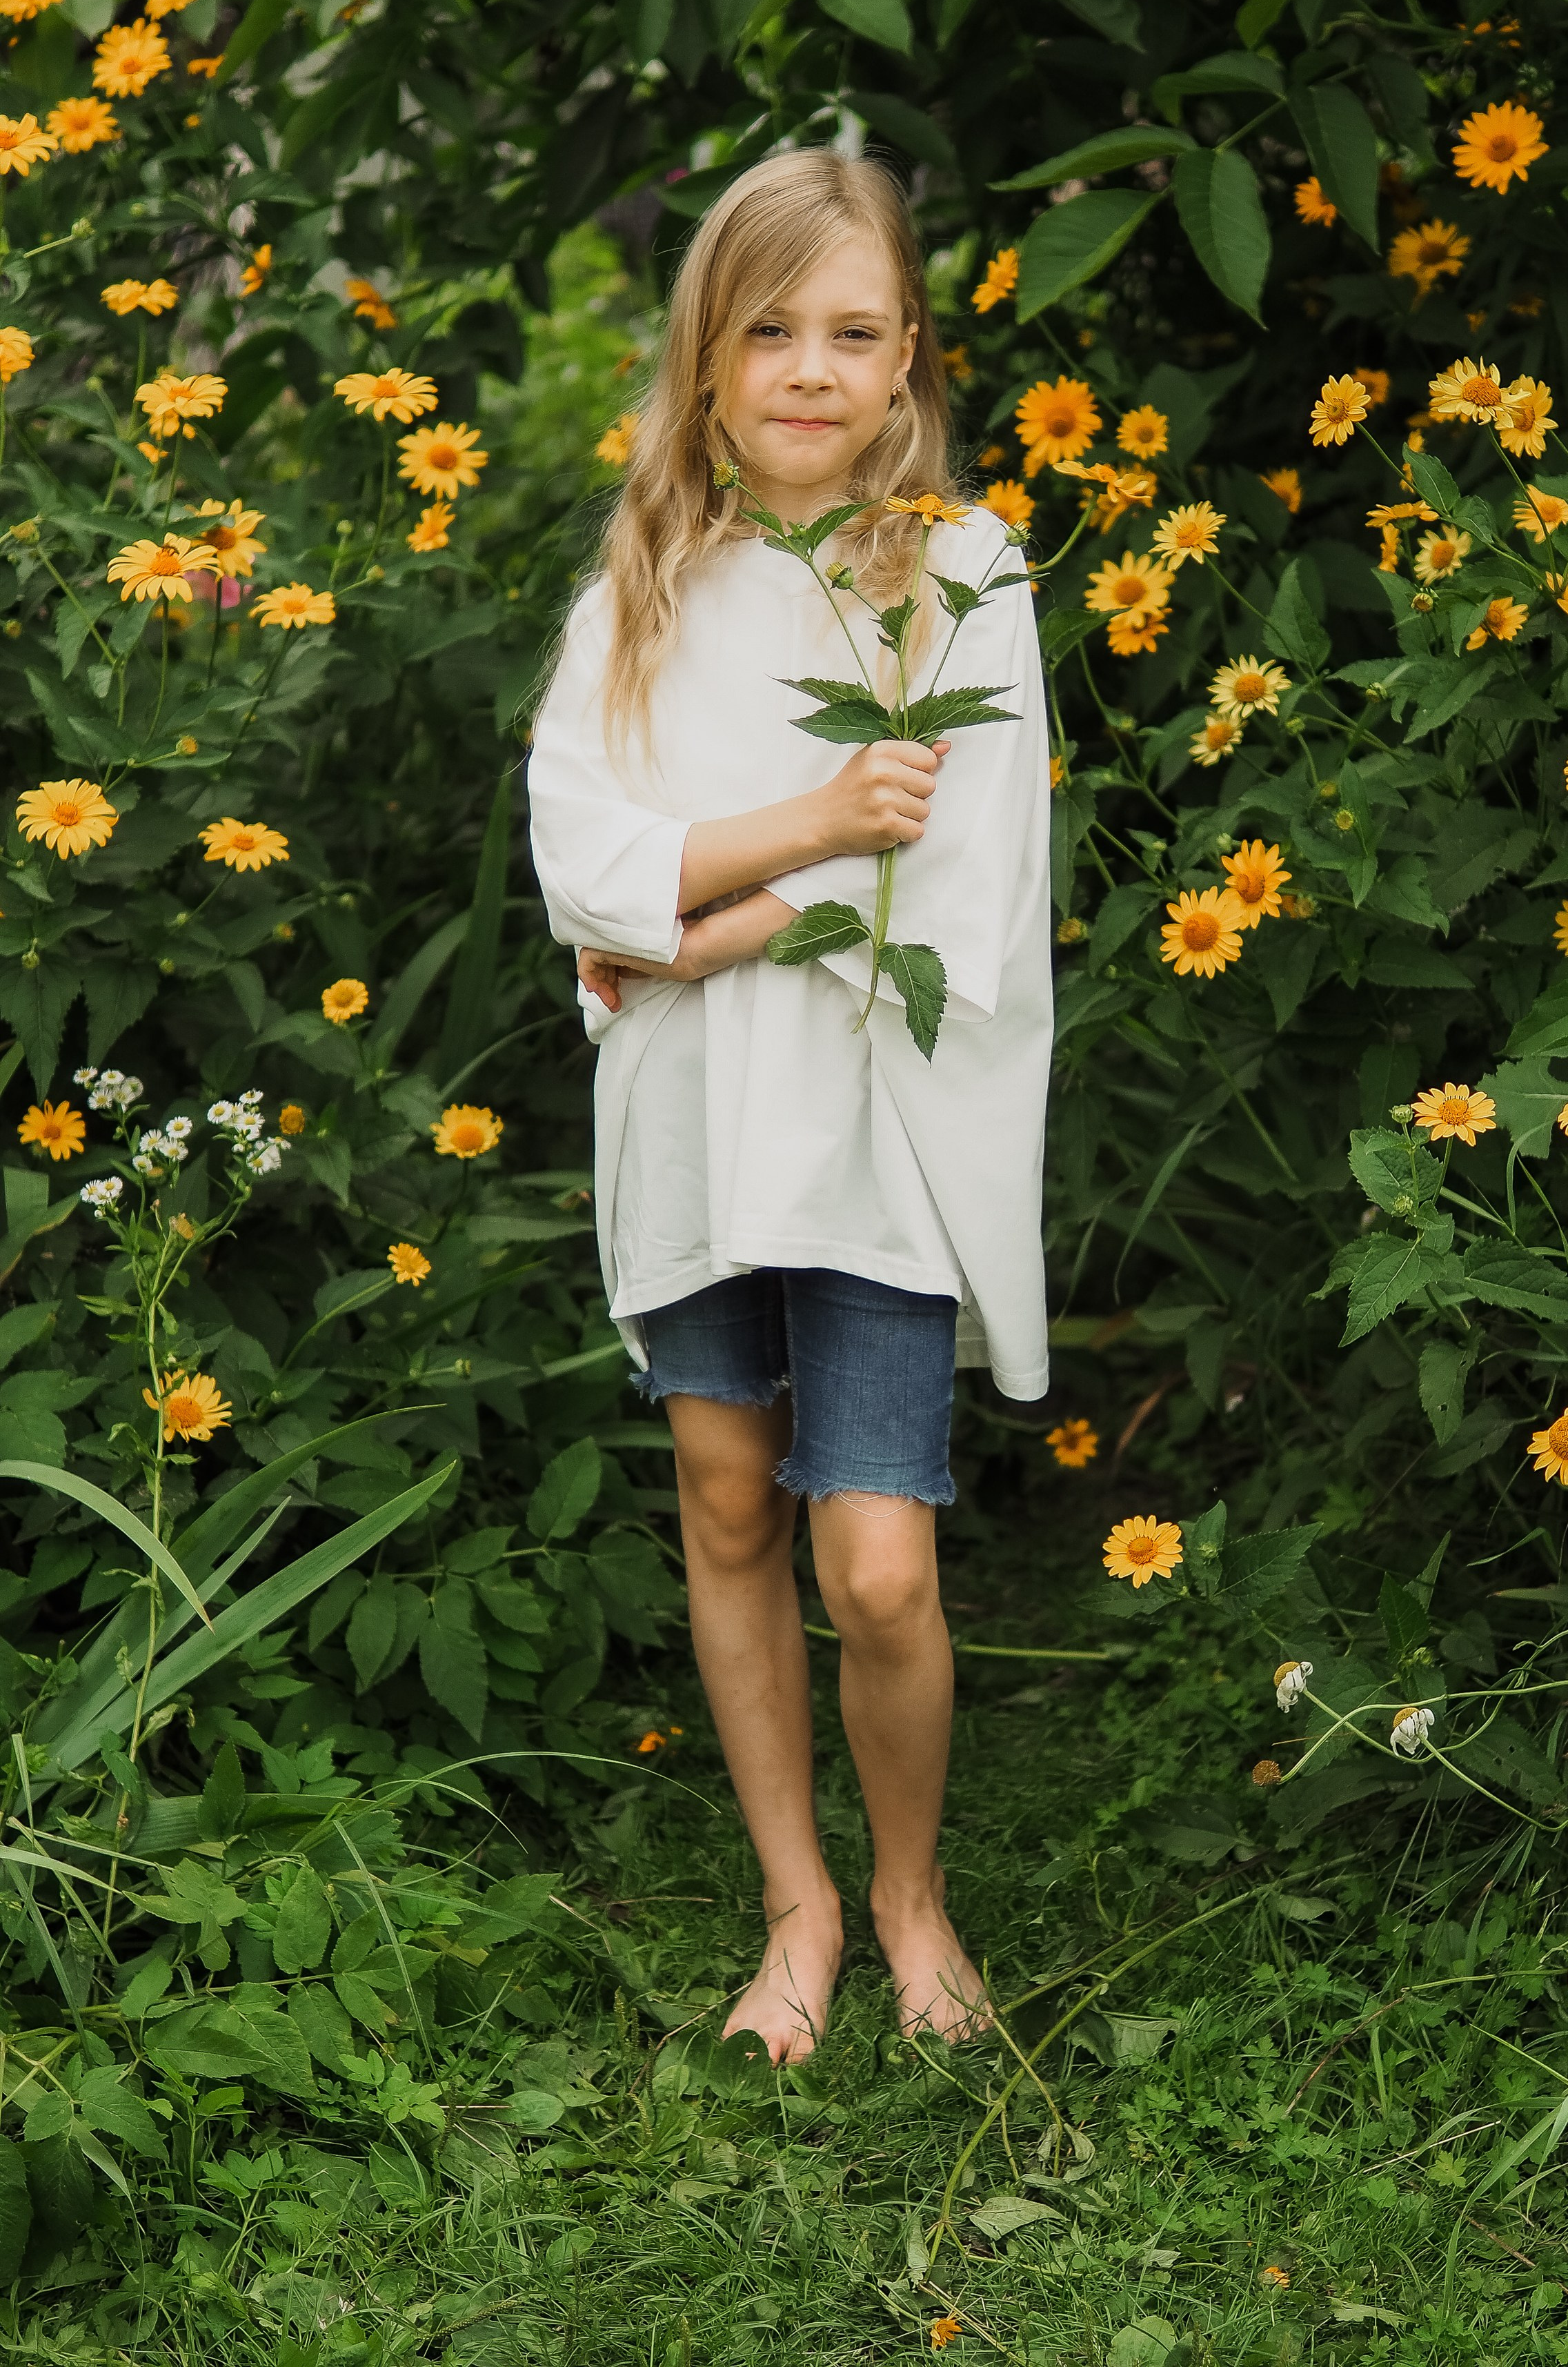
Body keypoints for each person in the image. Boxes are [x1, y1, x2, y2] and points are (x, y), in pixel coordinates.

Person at [526, 148, 1051, 2064]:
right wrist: (799, 850)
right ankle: (800, 1906)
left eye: (852, 330)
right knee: (732, 1500)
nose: (811, 369)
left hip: (878, 1127)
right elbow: (585, 866)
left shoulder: (963, 577)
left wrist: (702, 910)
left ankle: (914, 1890)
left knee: (879, 1555)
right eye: (770, 330)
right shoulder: (649, 588)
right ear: (709, 355)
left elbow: (948, 891)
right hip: (692, 1126)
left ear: (908, 351)